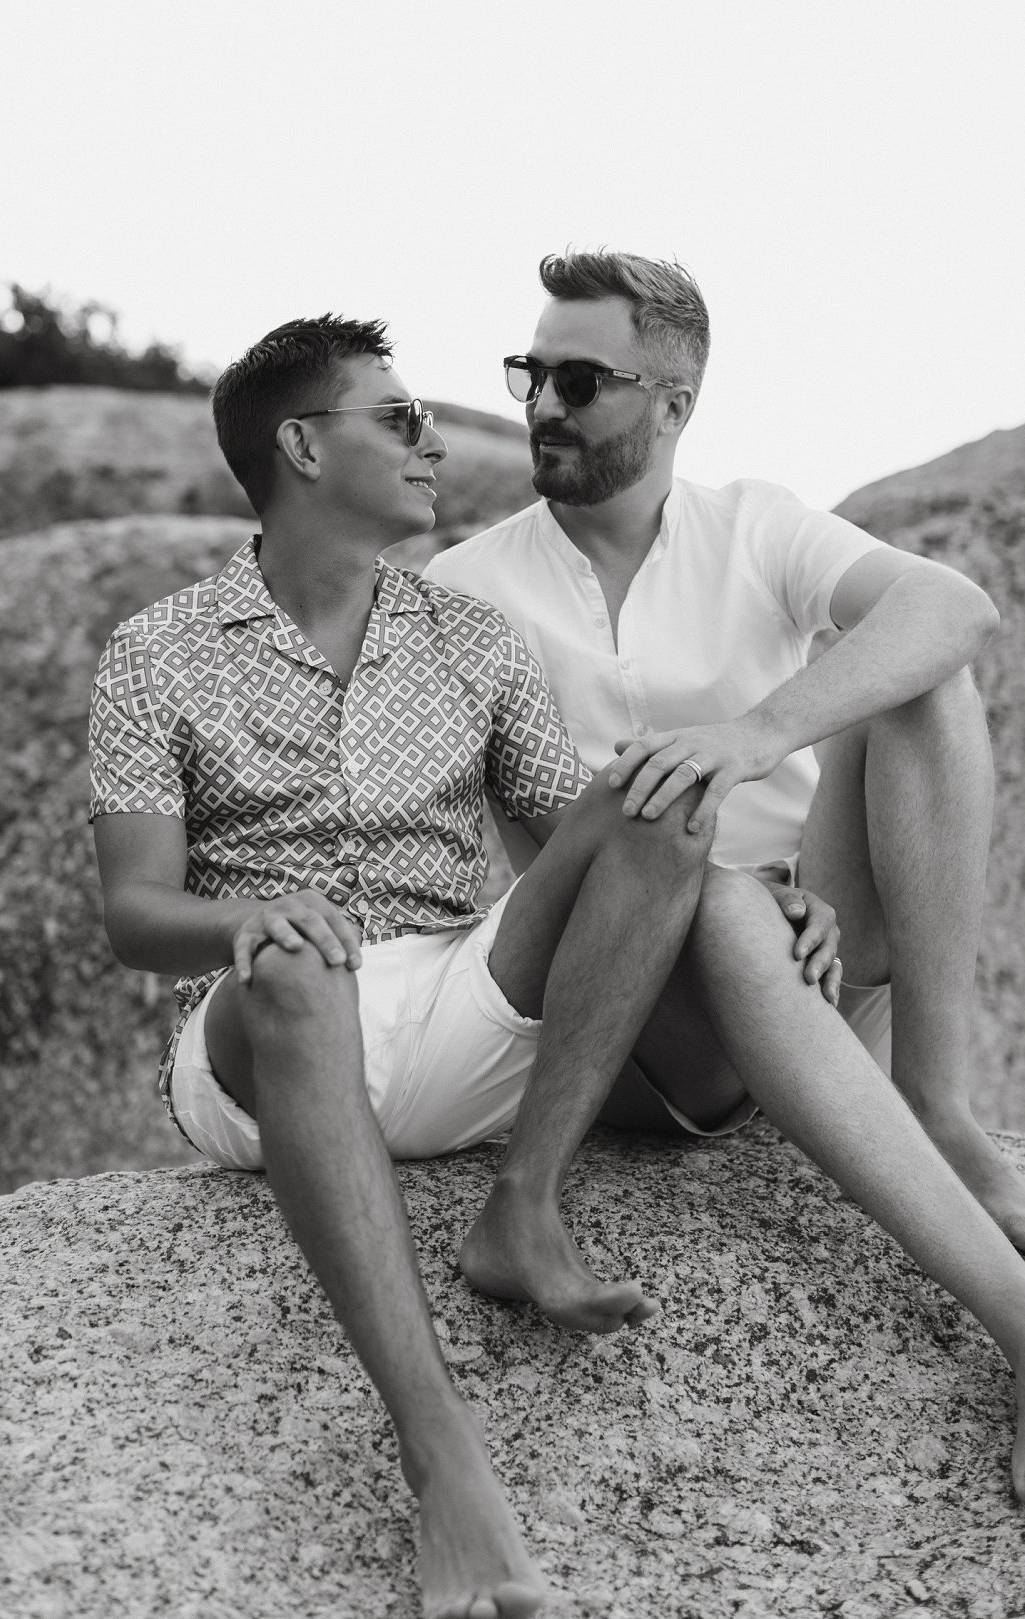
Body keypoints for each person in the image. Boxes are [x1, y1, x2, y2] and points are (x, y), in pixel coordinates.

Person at [89, 316, 1025, 1619]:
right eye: (397, 417)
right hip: (264, 1020)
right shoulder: (160, 651)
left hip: (458, 990)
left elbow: (584, 839)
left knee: (661, 793)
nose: (435, 437)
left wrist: (752, 890)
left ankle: (520, 1205)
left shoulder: (470, 636)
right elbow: (134, 911)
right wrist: (253, 913)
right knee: (299, 966)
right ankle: (446, 1465)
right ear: (301, 446)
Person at [425, 247, 1025, 1253]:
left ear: (673, 405)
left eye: (580, 382)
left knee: (926, 684)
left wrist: (754, 736)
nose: (544, 406)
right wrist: (734, 896)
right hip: (649, 1017)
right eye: (531, 375)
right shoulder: (465, 587)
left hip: (824, 953)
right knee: (689, 870)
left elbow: (953, 606)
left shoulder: (754, 524)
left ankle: (935, 1105)